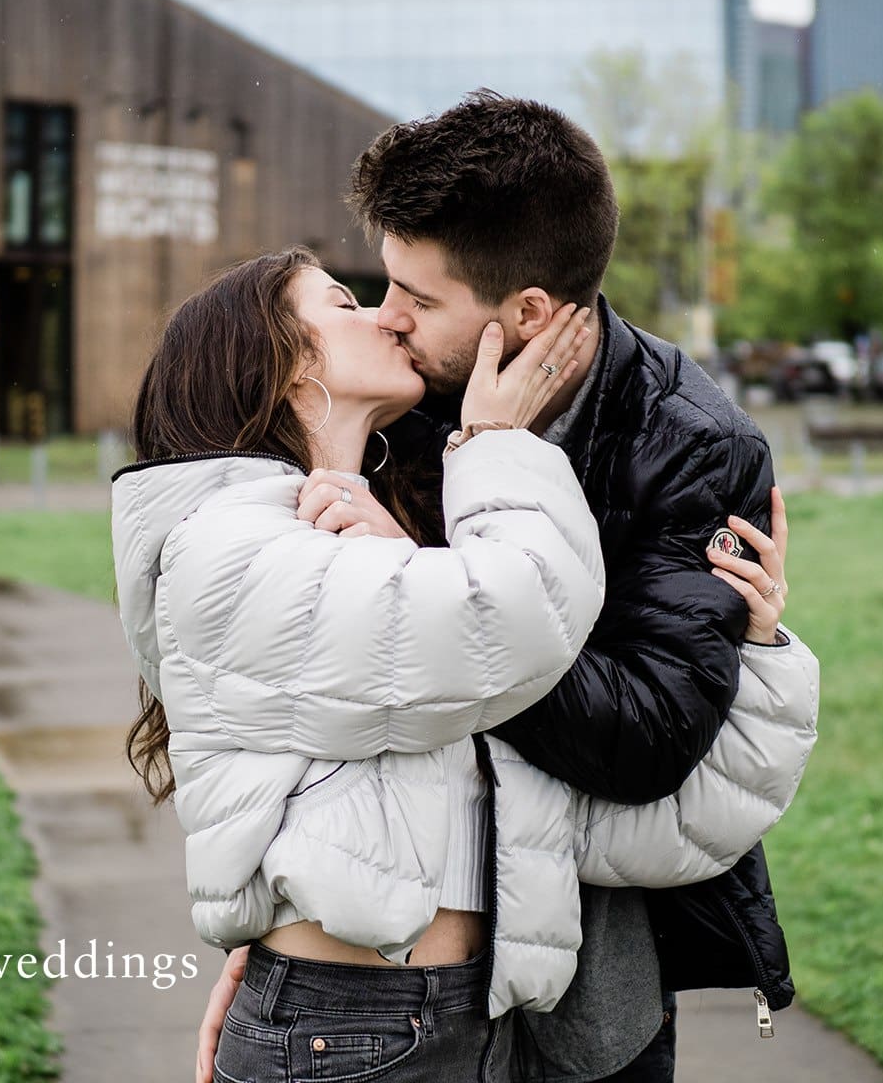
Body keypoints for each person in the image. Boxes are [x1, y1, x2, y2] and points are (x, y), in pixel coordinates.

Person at [198, 91, 803, 1082]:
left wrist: (424, 581)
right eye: (383, 283)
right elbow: (327, 703)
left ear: (526, 313)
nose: (387, 321)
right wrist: (280, 947)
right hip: (391, 977)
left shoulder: (689, 446)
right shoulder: (406, 403)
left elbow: (647, 737)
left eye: (419, 300)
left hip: (594, 1001)